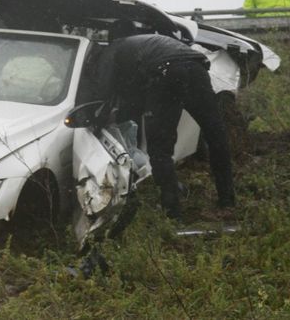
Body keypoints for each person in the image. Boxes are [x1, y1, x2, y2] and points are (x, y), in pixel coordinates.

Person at [94, 33, 234, 219]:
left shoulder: (113, 49)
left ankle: (171, 210)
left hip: (168, 73)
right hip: (197, 68)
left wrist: (96, 118)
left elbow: (104, 89)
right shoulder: (149, 40)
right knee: (216, 135)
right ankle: (228, 201)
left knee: (160, 147)